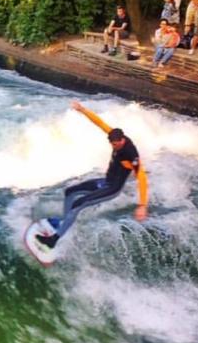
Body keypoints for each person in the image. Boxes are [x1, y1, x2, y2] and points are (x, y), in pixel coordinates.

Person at [35, 101, 148, 250]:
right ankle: (64, 220)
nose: (113, 147)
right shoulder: (115, 135)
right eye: (112, 144)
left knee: (78, 204)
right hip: (105, 182)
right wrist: (82, 110)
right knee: (70, 192)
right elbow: (100, 123)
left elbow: (141, 177)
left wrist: (142, 205)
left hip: (112, 189)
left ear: (122, 140)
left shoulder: (131, 154)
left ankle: (53, 240)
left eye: (116, 144)